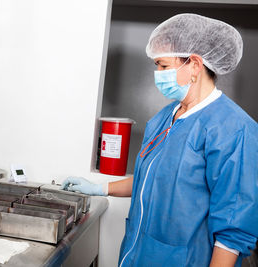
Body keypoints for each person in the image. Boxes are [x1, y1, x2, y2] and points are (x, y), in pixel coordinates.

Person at [61, 13, 258, 267]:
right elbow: (152, 178)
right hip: (138, 254)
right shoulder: (165, 118)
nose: (157, 73)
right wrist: (101, 188)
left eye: (163, 66)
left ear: (195, 65)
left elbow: (232, 232)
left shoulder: (234, 130)